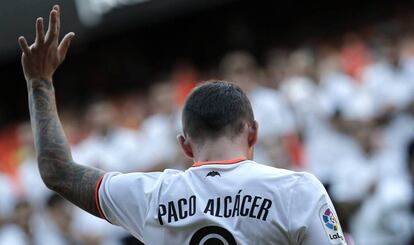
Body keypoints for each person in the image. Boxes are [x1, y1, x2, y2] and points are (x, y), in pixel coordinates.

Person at [18, 5, 347, 245]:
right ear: (253, 131)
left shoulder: (151, 196)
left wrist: (40, 83)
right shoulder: (298, 190)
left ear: (185, 145)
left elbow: (56, 172)